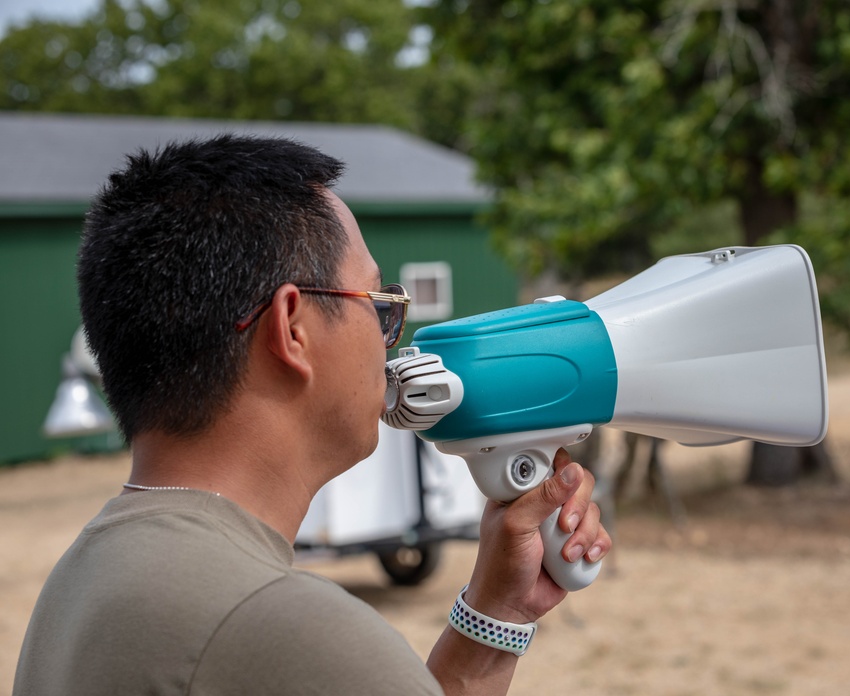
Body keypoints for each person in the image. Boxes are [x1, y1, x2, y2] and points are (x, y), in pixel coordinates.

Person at [14, 135, 611, 695]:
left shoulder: (84, 580)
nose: (391, 343)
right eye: (379, 306)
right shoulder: (287, 629)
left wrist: (495, 612)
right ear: (292, 328)